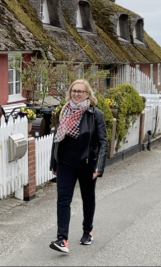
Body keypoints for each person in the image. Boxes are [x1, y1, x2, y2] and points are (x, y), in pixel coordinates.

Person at [49, 79, 108, 254]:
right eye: (74, 90)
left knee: (87, 199)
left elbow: (103, 142)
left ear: (87, 94)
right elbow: (56, 139)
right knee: (63, 200)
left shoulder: (95, 114)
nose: (76, 94)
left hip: (87, 164)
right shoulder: (63, 112)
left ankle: (87, 231)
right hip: (65, 163)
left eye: (80, 91)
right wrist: (54, 163)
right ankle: (62, 239)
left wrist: (99, 166)